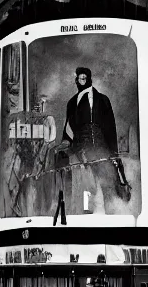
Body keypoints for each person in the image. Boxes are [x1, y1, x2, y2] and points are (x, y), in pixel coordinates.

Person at [56, 67, 131, 213]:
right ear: (76, 80)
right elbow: (69, 128)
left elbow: (110, 128)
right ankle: (88, 219)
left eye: (84, 78)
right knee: (86, 190)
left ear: (89, 79)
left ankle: (112, 217)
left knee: (108, 186)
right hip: (80, 151)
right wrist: (66, 142)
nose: (81, 81)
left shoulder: (102, 100)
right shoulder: (72, 102)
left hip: (101, 149)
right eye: (79, 78)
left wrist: (113, 151)